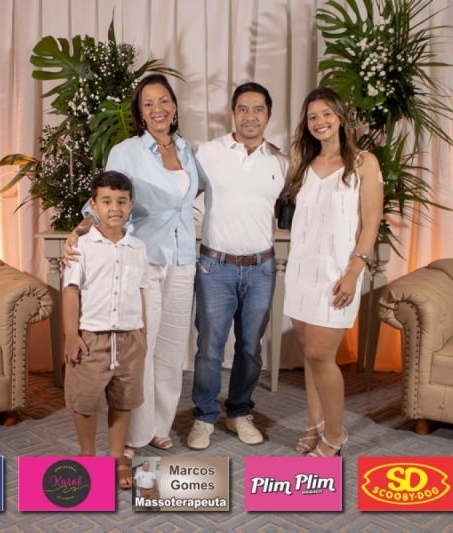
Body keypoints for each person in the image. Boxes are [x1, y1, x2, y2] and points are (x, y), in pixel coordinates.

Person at [63, 74, 199, 456]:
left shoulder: (186, 149)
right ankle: (134, 436)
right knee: (143, 347)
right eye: (148, 103)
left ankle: (159, 427)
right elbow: (104, 198)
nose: (157, 109)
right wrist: (79, 230)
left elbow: (191, 196)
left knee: (172, 351)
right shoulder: (127, 151)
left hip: (182, 258)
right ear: (140, 112)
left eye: (164, 101)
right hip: (144, 257)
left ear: (174, 105)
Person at [187, 83, 286, 450]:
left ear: (268, 115)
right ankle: (204, 416)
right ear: (233, 113)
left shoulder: (281, 162)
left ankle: (239, 411)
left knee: (250, 348)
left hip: (261, 269)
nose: (250, 116)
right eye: (243, 108)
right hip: (216, 267)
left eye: (258, 109)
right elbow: (180, 192)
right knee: (209, 348)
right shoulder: (208, 153)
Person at [284, 87, 383, 457]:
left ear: (341, 117)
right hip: (301, 272)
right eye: (312, 116)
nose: (320, 121)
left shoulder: (363, 163)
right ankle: (315, 423)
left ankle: (336, 433)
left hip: (338, 273)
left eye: (327, 113)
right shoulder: (303, 165)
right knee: (310, 355)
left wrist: (354, 272)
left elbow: (371, 223)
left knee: (320, 354)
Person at [62, 170, 150, 490]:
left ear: (131, 205)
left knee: (123, 399)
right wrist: (71, 335)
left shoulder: (138, 247)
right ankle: (87, 453)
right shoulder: (81, 246)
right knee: (85, 399)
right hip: (91, 338)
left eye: (122, 201)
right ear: (94, 205)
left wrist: (143, 332)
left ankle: (117, 456)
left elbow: (140, 291)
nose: (115, 207)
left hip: (130, 338)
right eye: (107, 201)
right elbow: (71, 291)